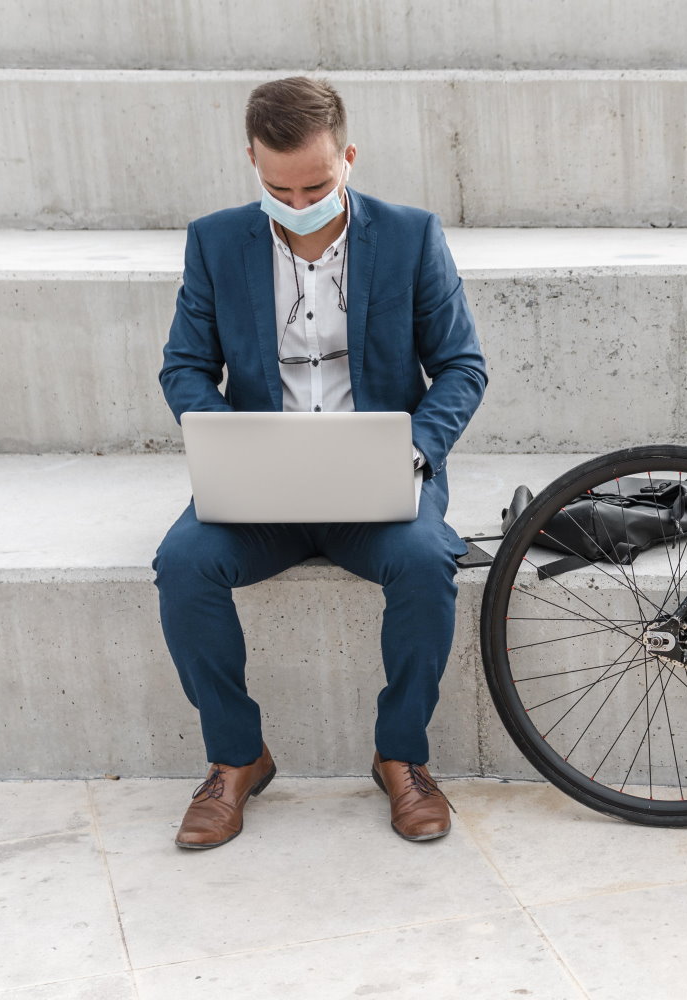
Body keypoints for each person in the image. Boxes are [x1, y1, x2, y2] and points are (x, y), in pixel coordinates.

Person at [153, 77, 487, 849]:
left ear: (350, 158)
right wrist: (223, 437)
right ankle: (238, 759)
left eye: (316, 183)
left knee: (427, 561)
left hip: (376, 483)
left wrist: (414, 451)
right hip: (259, 487)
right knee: (183, 564)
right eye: (277, 186)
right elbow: (184, 368)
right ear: (251, 163)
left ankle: (400, 754)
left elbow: (462, 367)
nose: (297, 200)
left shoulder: (411, 235)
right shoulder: (214, 240)